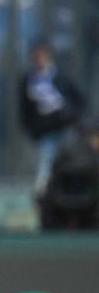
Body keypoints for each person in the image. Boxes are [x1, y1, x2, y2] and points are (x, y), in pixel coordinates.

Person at [19, 40, 86, 194]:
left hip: (65, 127)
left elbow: (78, 100)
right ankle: (44, 197)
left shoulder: (60, 76)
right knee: (45, 166)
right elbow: (24, 110)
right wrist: (32, 129)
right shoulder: (28, 80)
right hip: (45, 131)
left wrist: (73, 117)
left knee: (71, 162)